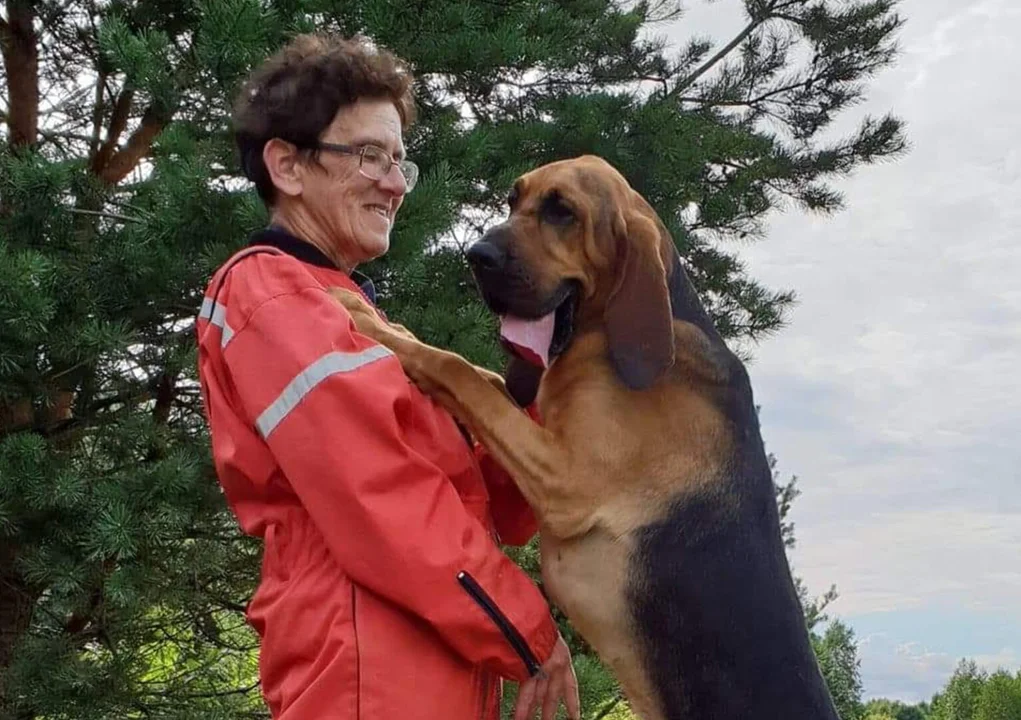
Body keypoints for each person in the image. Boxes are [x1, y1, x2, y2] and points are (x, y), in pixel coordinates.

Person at [195, 32, 580, 720]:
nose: (396, 183)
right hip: (363, 672)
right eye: (370, 154)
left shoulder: (357, 315)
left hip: (427, 663)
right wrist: (528, 634)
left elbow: (504, 508)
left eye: (401, 160)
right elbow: (380, 498)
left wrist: (544, 375)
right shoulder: (268, 293)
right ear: (286, 164)